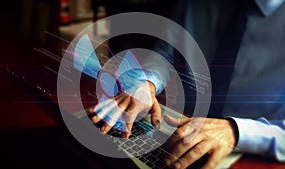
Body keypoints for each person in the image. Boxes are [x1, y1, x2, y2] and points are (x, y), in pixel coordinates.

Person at [89, 0, 285, 168]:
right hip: (178, 131)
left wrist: (236, 131)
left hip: (249, 156)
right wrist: (146, 83)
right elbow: (168, 51)